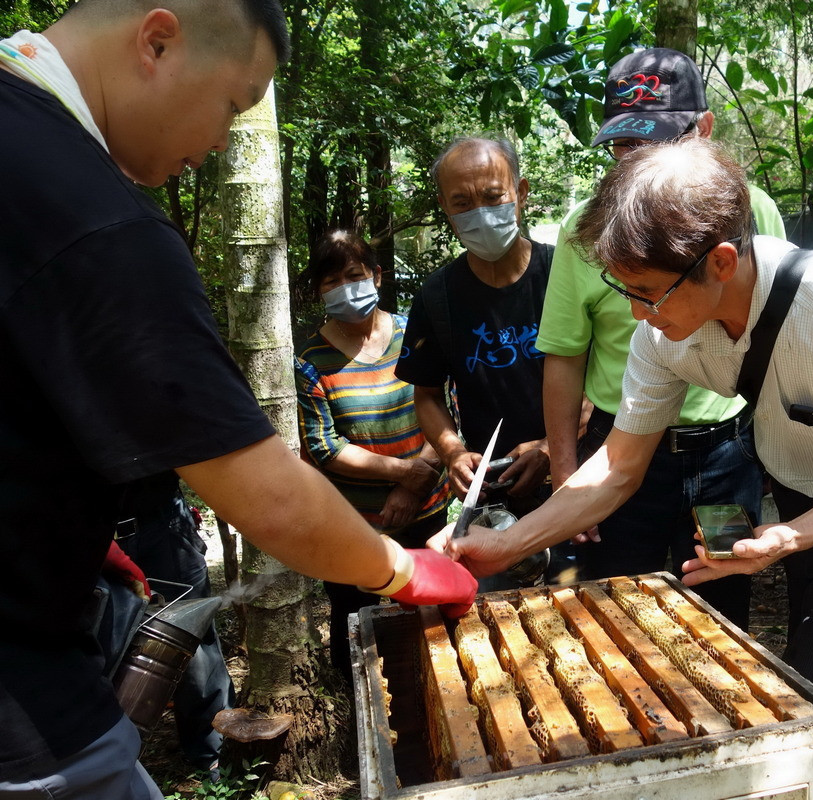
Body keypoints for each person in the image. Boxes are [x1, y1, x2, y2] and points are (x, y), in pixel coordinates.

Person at [0, 3, 475, 798]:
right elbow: (268, 497)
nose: (223, 139)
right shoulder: (98, 217)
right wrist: (403, 569)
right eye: (234, 103)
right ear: (157, 40)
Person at [438, 138, 813, 800]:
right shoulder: (664, 335)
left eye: (647, 292)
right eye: (624, 291)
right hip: (801, 499)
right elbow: (619, 468)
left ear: (721, 262)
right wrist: (504, 543)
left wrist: (793, 537)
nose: (635, 313)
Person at [536, 47, 786, 629]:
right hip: (620, 450)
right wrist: (567, 475)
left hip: (725, 453)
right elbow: (565, 356)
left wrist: (771, 452)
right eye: (624, 145)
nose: (635, 160)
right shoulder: (585, 226)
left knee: (721, 602)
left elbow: (772, 333)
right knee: (612, 607)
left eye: (655, 143)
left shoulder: (752, 212)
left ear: (704, 130)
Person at [397, 135, 576, 588]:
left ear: (521, 192)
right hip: (492, 497)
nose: (480, 212)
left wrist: (551, 447)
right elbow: (427, 393)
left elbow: (606, 379)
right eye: (462, 202)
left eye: (493, 196)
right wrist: (452, 451)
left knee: (579, 603)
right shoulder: (437, 297)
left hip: (573, 482)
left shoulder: (566, 276)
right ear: (445, 207)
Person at [295, 229, 452, 684]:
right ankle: (365, 723)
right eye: (330, 282)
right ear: (318, 291)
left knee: (433, 611)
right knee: (354, 622)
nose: (344, 288)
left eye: (354, 274)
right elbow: (324, 446)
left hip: (428, 508)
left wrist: (413, 485)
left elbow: (447, 408)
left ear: (376, 276)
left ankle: (442, 693)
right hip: (352, 523)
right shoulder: (310, 359)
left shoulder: (414, 334)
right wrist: (404, 473)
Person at [112, 477, 235, 777]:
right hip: (78, 527)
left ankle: (213, 750)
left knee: (194, 641)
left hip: (162, 520)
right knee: (102, 642)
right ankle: (112, 759)